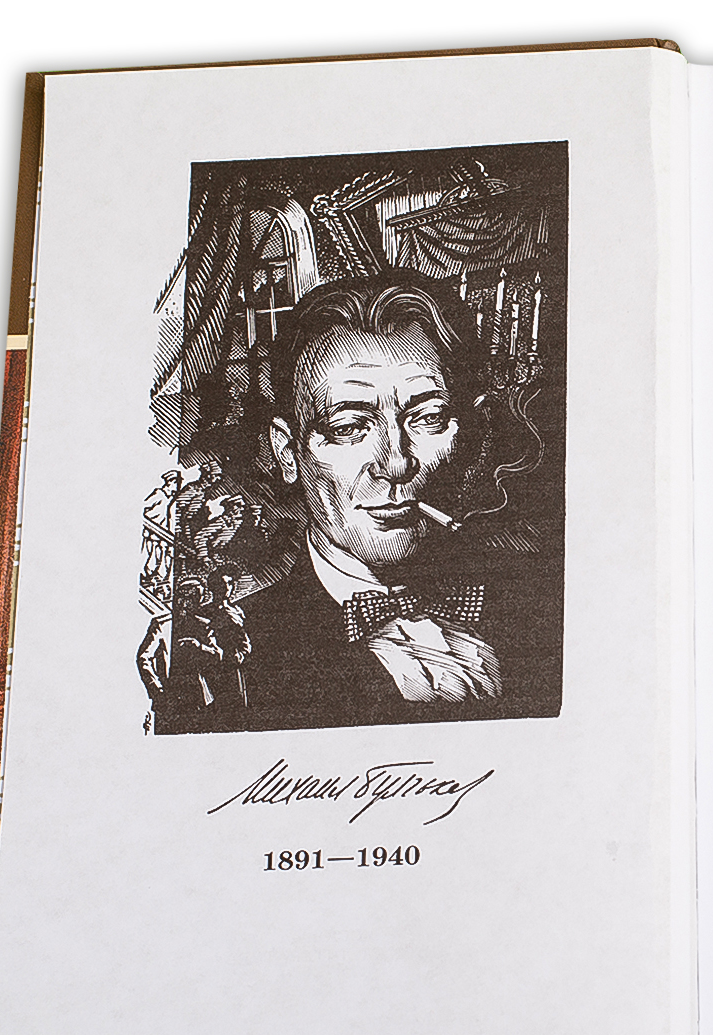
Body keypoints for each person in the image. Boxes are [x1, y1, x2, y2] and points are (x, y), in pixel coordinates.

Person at [215, 269, 561, 733]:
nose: (396, 462)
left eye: (428, 417)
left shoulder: (539, 601)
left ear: (468, 433)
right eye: (348, 428)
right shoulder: (235, 645)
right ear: (287, 452)